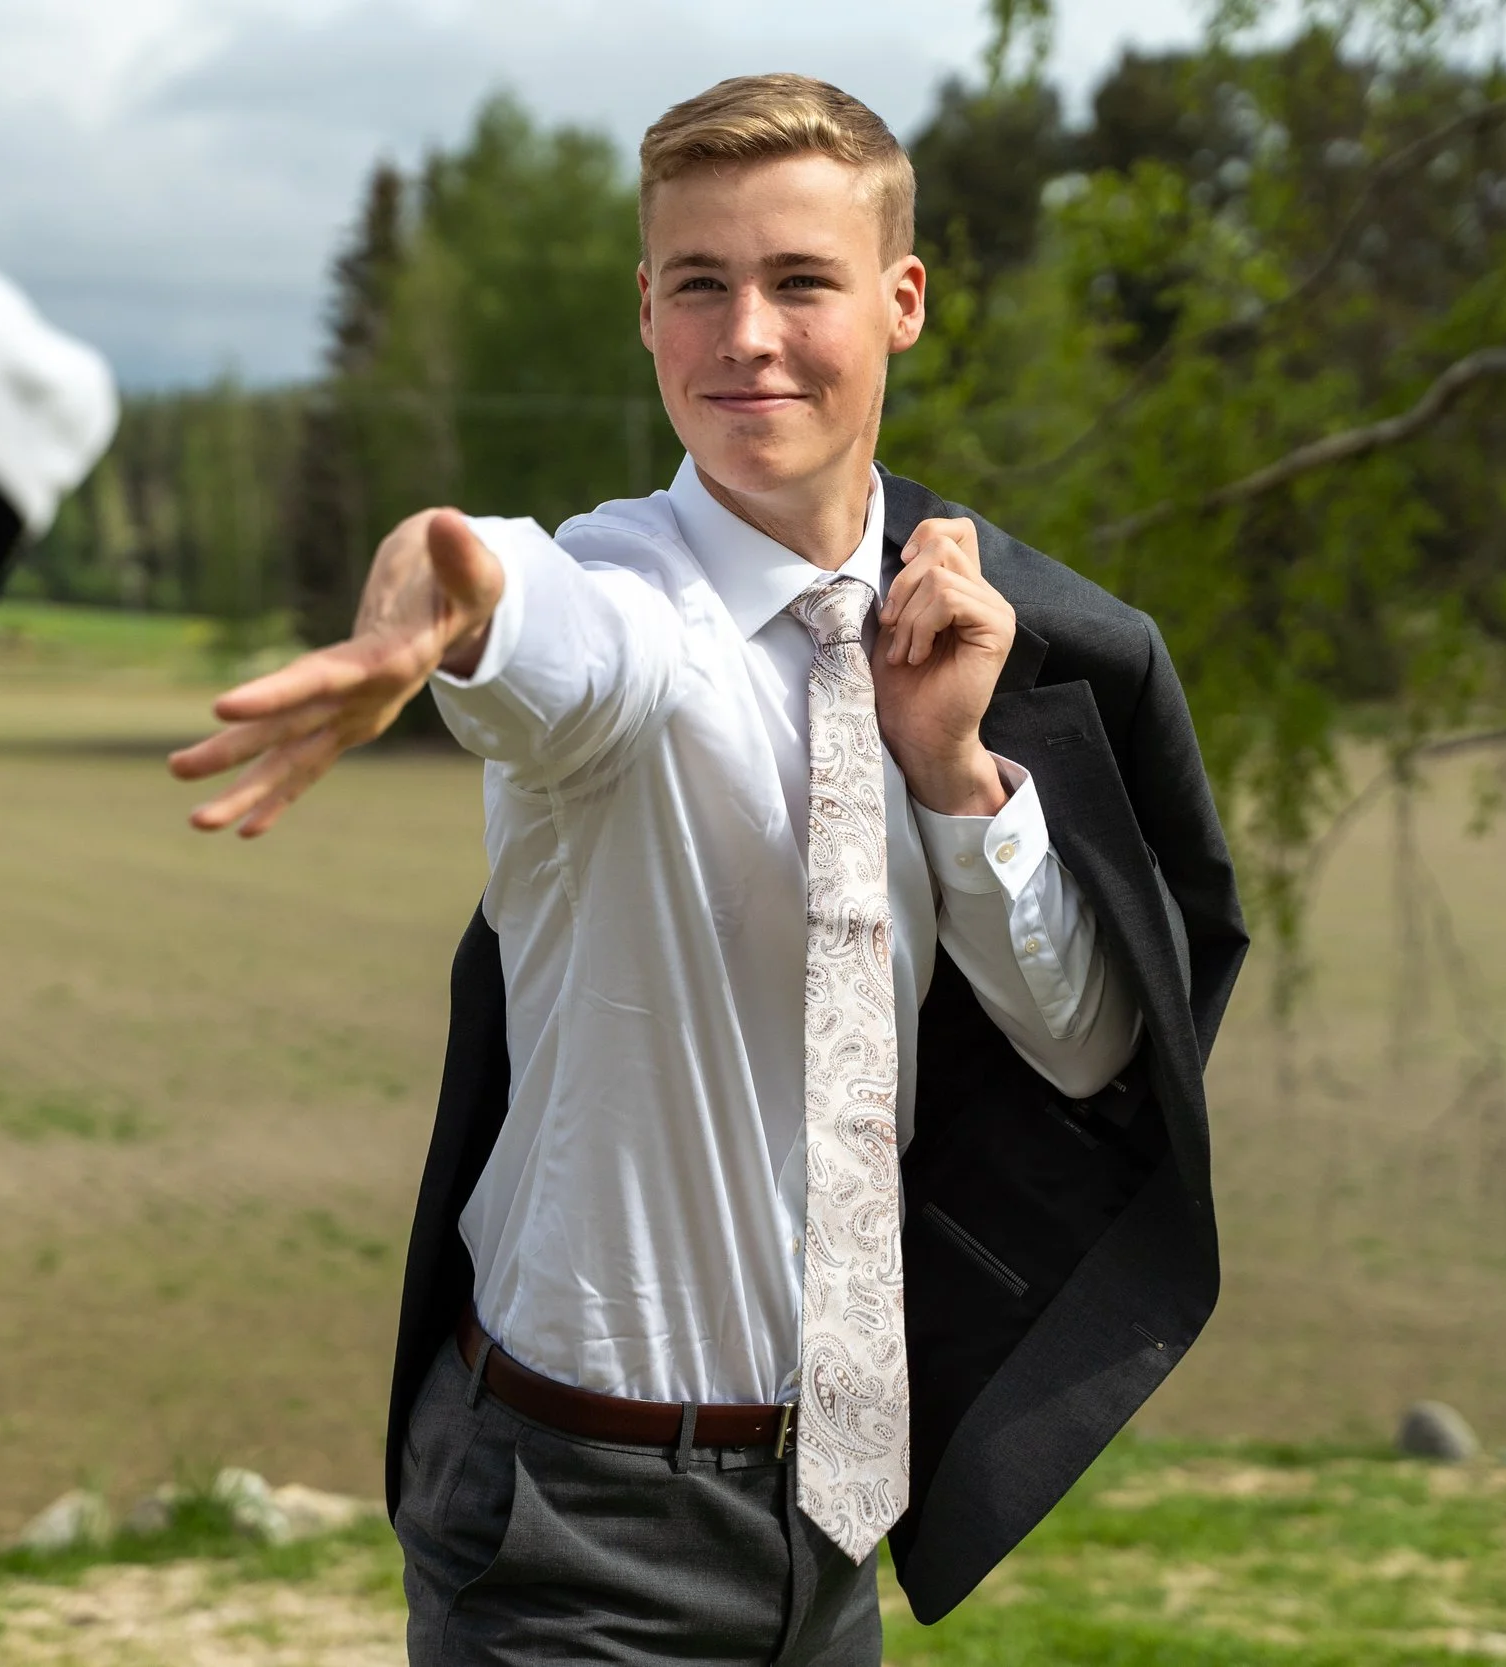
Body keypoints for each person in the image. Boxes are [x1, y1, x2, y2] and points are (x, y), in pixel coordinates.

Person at [172, 73, 1247, 1666]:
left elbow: (1092, 1046)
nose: (745, 333)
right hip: (575, 1519)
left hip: (830, 1518)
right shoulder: (629, 608)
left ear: (903, 302)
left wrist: (951, 767)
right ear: (648, 311)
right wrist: (435, 587)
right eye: (699, 285)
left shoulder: (964, 635)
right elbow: (510, 591)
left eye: (799, 281)